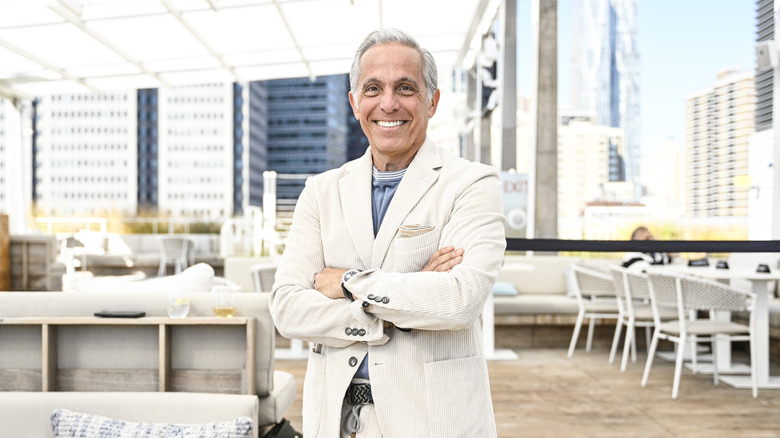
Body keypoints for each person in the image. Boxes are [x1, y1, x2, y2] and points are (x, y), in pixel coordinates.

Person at [269, 29, 506, 437]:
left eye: (406, 88)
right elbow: (288, 308)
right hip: (335, 419)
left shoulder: (472, 184)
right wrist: (402, 305)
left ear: (432, 101)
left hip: (432, 421)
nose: (388, 103)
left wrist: (346, 283)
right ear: (354, 102)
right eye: (373, 88)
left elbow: (459, 300)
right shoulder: (320, 192)